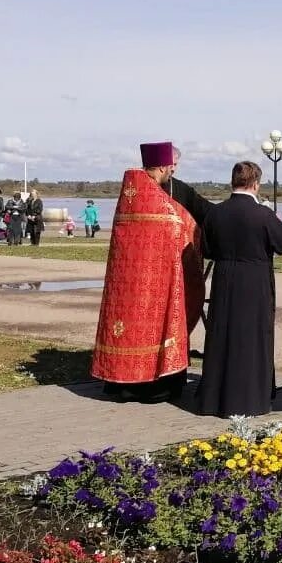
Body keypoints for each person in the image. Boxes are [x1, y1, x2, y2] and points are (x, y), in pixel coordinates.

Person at [91, 142, 205, 403]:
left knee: (127, 329)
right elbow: (183, 226)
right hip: (154, 283)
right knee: (155, 329)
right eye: (171, 168)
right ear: (164, 166)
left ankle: (119, 383)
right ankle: (154, 387)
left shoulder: (130, 194)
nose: (172, 172)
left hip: (125, 285)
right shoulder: (159, 202)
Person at [197, 160, 282, 418]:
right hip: (254, 280)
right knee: (252, 338)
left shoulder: (216, 213)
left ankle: (215, 398)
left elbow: (205, 249)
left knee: (221, 336)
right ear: (256, 184)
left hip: (225, 278)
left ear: (233, 181)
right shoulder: (262, 214)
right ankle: (250, 399)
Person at [163, 146, 213, 227]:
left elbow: (206, 209)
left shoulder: (181, 189)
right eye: (169, 165)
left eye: (175, 164)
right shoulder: (141, 186)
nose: (172, 169)